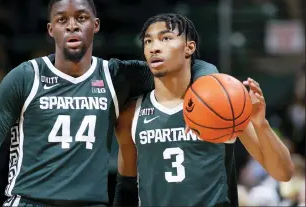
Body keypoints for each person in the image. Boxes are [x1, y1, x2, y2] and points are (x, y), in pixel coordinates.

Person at [0, 0, 217, 207]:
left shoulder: (115, 76)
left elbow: (186, 67)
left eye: (81, 18)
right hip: (31, 201)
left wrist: (207, 79)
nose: (72, 25)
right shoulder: (26, 77)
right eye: (62, 20)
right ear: (51, 29)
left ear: (95, 25)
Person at [113, 13, 294, 207]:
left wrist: (260, 123)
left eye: (166, 38)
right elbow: (126, 185)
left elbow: (283, 173)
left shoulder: (221, 105)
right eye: (148, 41)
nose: (154, 47)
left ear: (189, 47)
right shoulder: (132, 113)